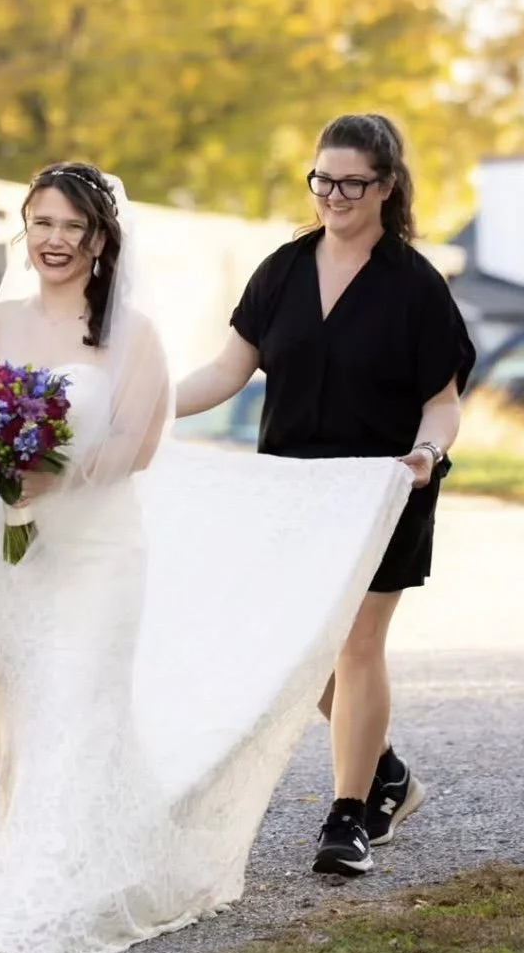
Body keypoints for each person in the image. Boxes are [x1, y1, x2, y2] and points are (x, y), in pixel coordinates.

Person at [0, 162, 414, 953]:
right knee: (24, 704)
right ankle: (66, 851)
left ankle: (44, 893)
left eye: (74, 228)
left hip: (99, 554)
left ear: (102, 240)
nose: (56, 241)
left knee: (81, 701)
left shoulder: (132, 333)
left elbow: (139, 445)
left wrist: (57, 468)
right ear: (26, 229)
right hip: (14, 553)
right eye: (43, 223)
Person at [175, 113, 475, 879]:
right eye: (322, 180)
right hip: (295, 492)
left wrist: (429, 451)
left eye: (350, 183)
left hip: (385, 485)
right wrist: (136, 408)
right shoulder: (280, 271)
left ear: (386, 188)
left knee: (356, 642)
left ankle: (349, 818)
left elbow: (442, 400)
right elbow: (224, 372)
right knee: (303, 654)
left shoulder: (414, 286)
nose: (333, 196)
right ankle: (389, 776)